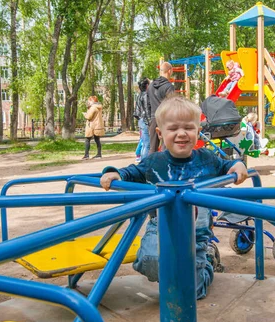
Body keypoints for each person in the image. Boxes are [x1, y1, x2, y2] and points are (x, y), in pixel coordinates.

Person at [99, 95, 248, 300]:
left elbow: (227, 166)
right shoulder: (154, 161)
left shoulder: (206, 158)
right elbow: (132, 172)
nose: (181, 134)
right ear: (160, 133)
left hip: (196, 232)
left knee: (191, 293)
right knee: (150, 259)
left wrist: (238, 165)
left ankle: (207, 264)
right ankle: (175, 273)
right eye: (173, 128)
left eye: (188, 127)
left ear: (198, 131)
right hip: (160, 226)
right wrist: (115, 173)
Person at [147, 62, 175, 154]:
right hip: (165, 119)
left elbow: (148, 104)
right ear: (170, 71)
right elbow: (171, 105)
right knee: (166, 146)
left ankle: (150, 166)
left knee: (152, 147)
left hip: (153, 118)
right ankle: (164, 167)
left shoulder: (151, 86)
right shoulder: (169, 87)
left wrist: (149, 119)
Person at [82, 96, 104, 160]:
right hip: (97, 125)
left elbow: (88, 117)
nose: (88, 101)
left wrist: (85, 114)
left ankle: (86, 155)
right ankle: (99, 154)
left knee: (87, 140)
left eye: (89, 100)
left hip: (92, 126)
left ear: (92, 101)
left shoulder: (93, 108)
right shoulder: (98, 107)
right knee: (97, 140)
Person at [134, 78, 150, 162]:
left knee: (144, 142)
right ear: (147, 85)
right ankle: (144, 161)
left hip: (141, 119)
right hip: (145, 120)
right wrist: (149, 122)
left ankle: (141, 158)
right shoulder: (146, 95)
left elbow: (137, 110)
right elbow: (147, 110)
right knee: (147, 144)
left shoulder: (139, 95)